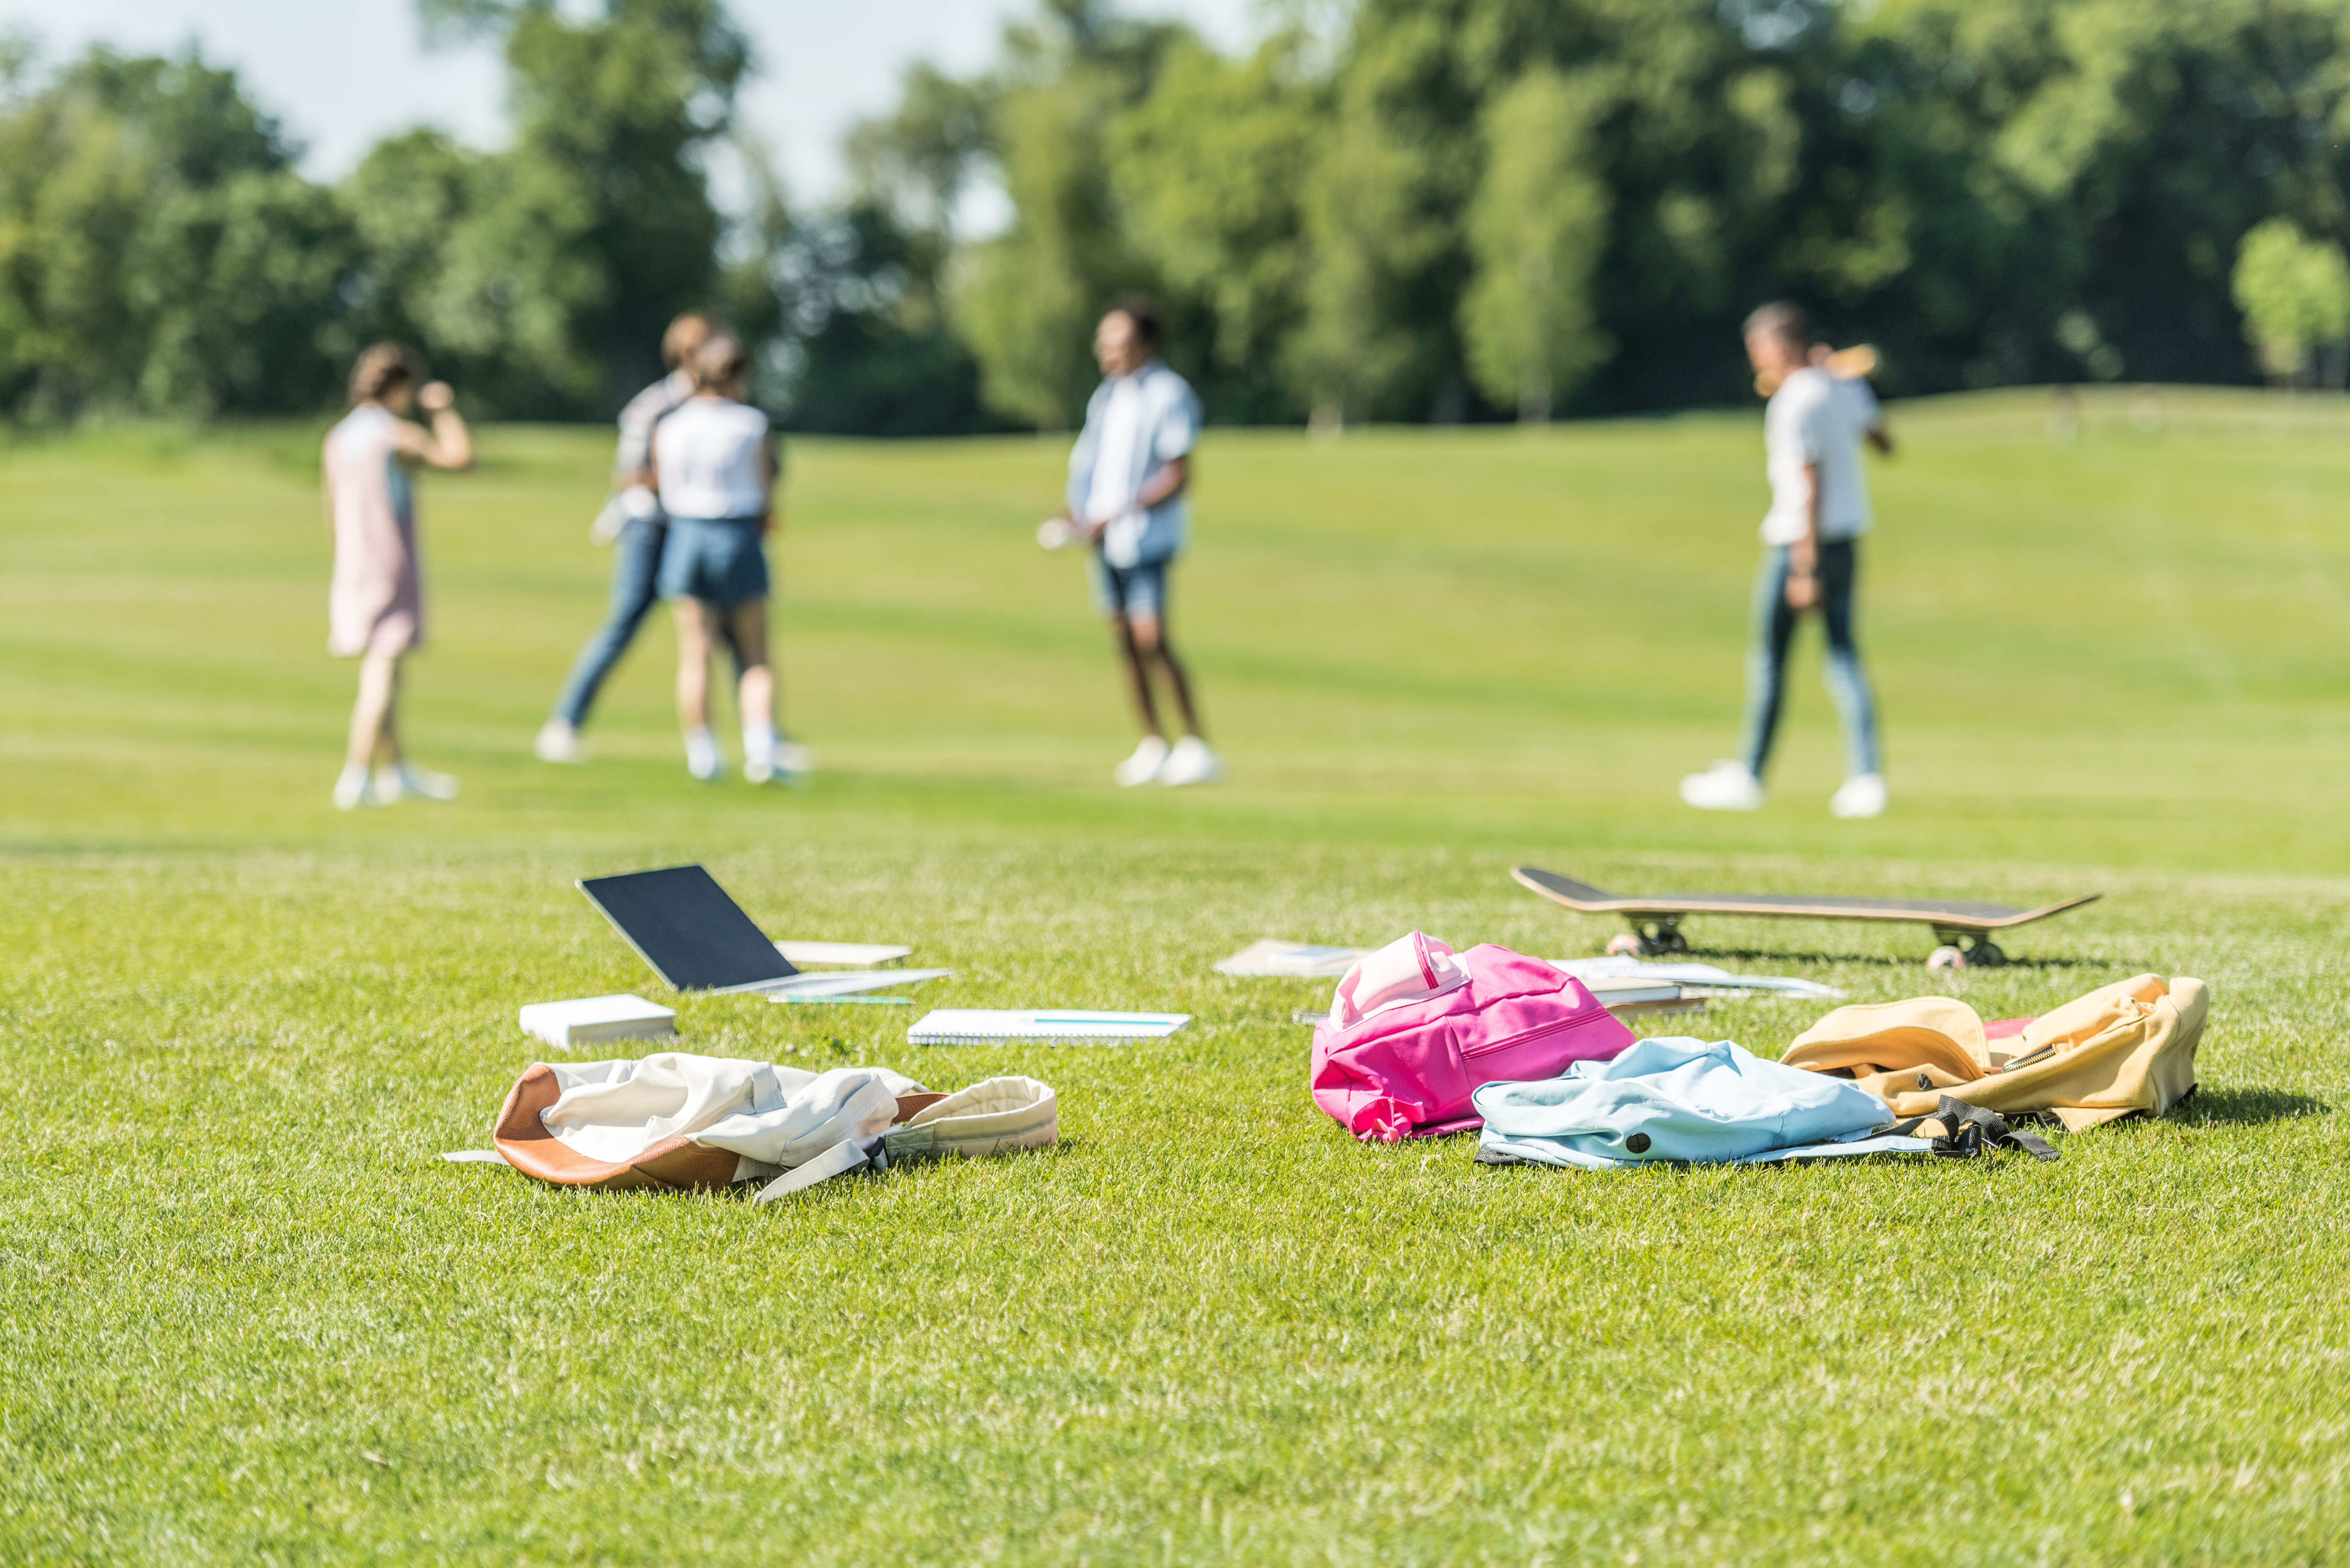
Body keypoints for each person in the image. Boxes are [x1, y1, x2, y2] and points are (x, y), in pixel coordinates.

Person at [1680, 302, 1891, 818]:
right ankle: (1867, 777)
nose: (1756, 362)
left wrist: (1803, 567)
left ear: (1778, 346)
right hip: (1847, 543)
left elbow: (1807, 486)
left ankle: (1750, 773)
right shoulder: (1843, 387)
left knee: (1770, 662)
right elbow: (1884, 443)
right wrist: (1848, 386)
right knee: (1843, 659)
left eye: (1758, 350)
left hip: (1801, 546)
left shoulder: (1794, 403)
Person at [536, 312, 723, 764]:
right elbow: (629, 475)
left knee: (731, 628)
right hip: (650, 526)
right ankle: (565, 724)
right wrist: (684, 481)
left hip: (696, 527)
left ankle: (762, 734)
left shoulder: (720, 408)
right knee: (625, 621)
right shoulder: (655, 405)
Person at [1052, 297, 1220, 787]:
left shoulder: (1169, 394)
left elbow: (1178, 474)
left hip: (1147, 537)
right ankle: (1153, 743)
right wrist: (1076, 513)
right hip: (1102, 540)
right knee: (1125, 643)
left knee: (1153, 640)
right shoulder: (1105, 397)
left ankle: (1194, 745)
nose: (1107, 353)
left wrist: (1119, 511)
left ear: (1144, 344)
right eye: (1103, 344)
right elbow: (1089, 466)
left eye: (1118, 344)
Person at [648, 332, 807, 785]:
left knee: (695, 653)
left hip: (686, 534)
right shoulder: (751, 424)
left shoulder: (672, 424)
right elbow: (764, 490)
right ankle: (762, 751)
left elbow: (664, 483)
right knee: (755, 654)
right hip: (737, 533)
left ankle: (704, 754)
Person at [323, 343, 473, 810]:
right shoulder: (393, 434)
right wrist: (444, 410)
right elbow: (460, 458)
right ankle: (356, 774)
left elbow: (330, 509)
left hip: (352, 561)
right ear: (399, 386)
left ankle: (396, 770)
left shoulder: (337, 437)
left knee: (387, 667)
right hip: (390, 558)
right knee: (383, 667)